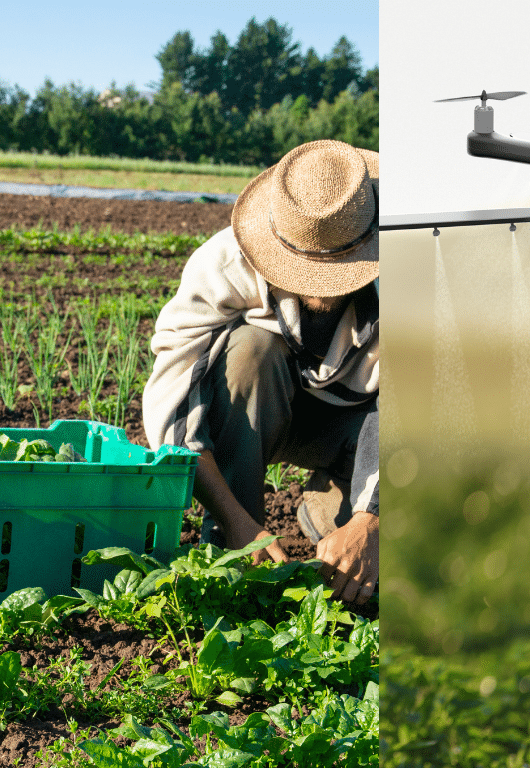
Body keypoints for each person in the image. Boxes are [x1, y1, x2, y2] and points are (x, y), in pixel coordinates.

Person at [142, 139, 380, 605]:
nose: (320, 285)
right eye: (306, 268)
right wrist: (235, 519)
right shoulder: (226, 263)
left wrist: (370, 519)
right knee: (250, 349)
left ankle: (333, 500)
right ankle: (232, 546)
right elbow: (172, 402)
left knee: (363, 577)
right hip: (265, 408)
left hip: (360, 423)